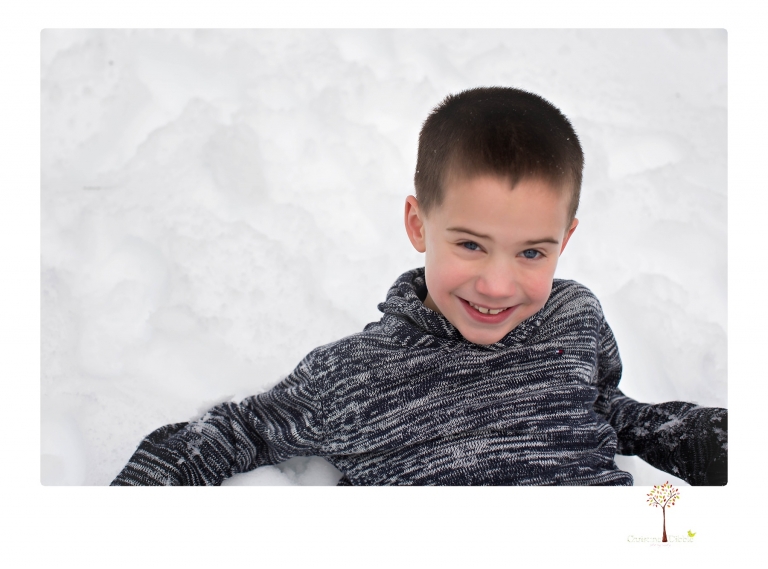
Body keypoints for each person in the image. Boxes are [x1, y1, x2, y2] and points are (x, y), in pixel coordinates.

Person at [111, 87, 727, 486]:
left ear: (564, 241)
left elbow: (603, 412)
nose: (497, 283)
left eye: (532, 252)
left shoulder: (572, 316)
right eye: (469, 244)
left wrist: (701, 439)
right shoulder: (355, 374)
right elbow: (235, 432)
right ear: (417, 224)